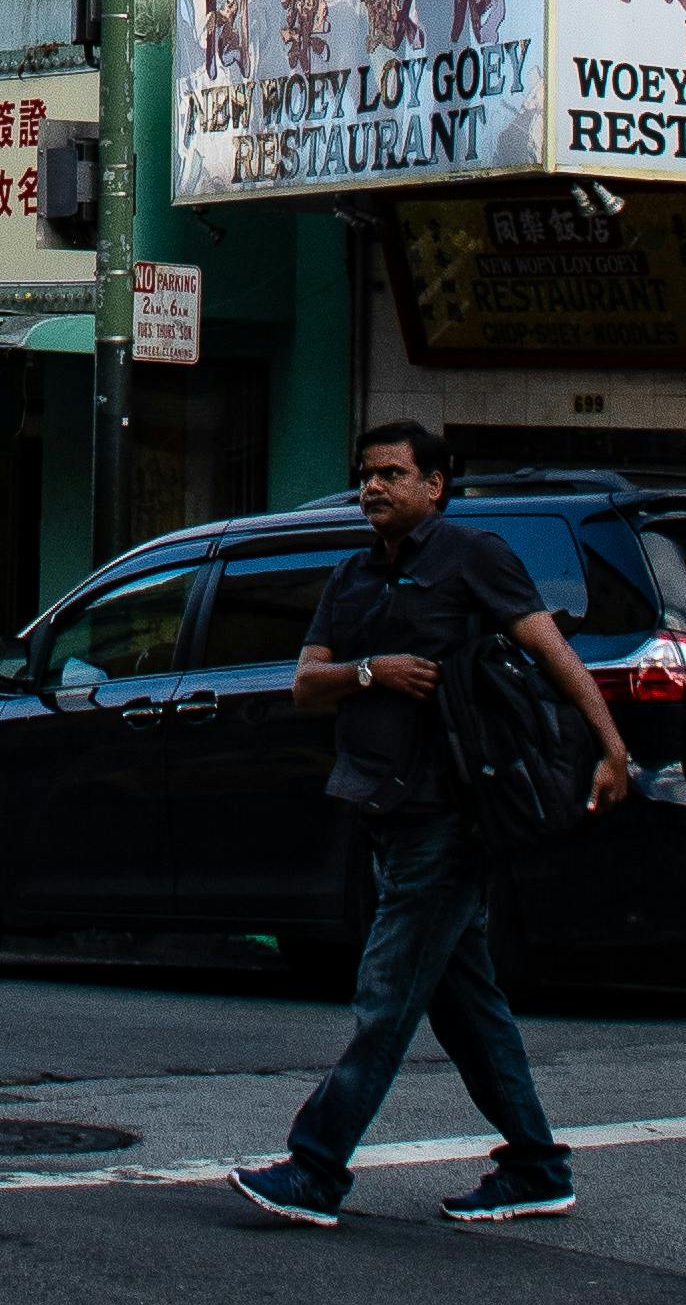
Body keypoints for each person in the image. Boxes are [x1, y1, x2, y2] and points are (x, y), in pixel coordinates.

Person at [226, 423, 639, 1231]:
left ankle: (315, 1169)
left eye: (393, 474)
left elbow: (551, 650)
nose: (374, 488)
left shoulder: (473, 557)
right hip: (382, 807)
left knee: (386, 998)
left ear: (436, 484)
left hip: (450, 816)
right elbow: (308, 683)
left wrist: (613, 747)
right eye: (366, 475)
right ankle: (536, 1166)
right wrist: (371, 671)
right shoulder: (350, 574)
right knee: (465, 1003)